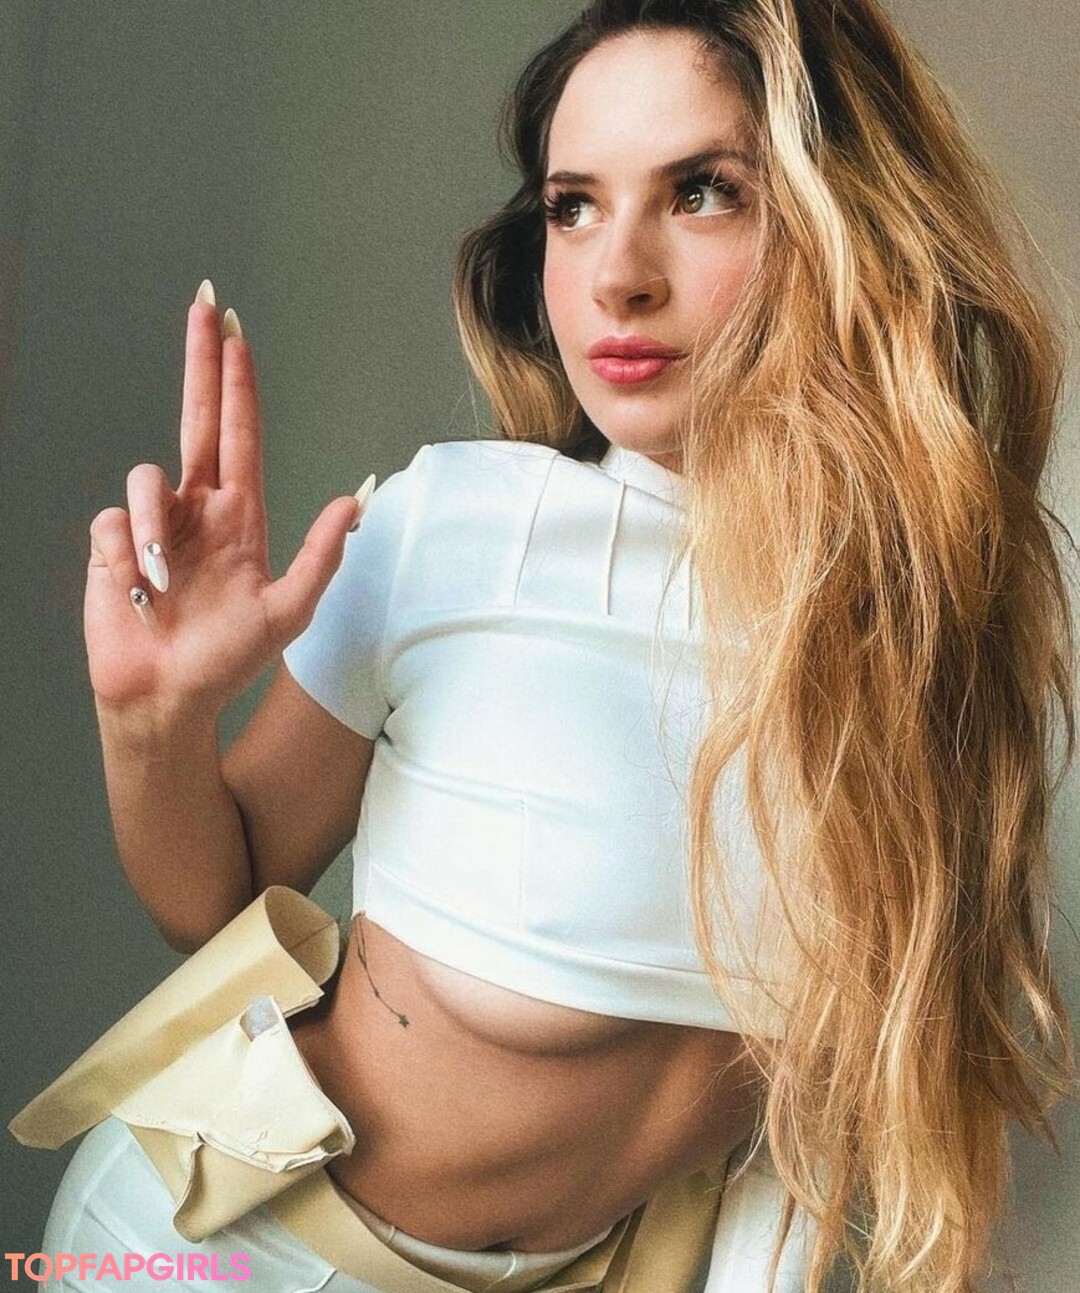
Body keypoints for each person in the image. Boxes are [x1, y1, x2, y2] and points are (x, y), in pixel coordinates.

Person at [9, 1, 1075, 1291]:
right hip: (222, 1246)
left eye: (703, 192)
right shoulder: (458, 526)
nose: (618, 273)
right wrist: (152, 721)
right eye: (574, 206)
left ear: (845, 222)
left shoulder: (928, 636)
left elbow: (813, 1128)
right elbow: (212, 908)